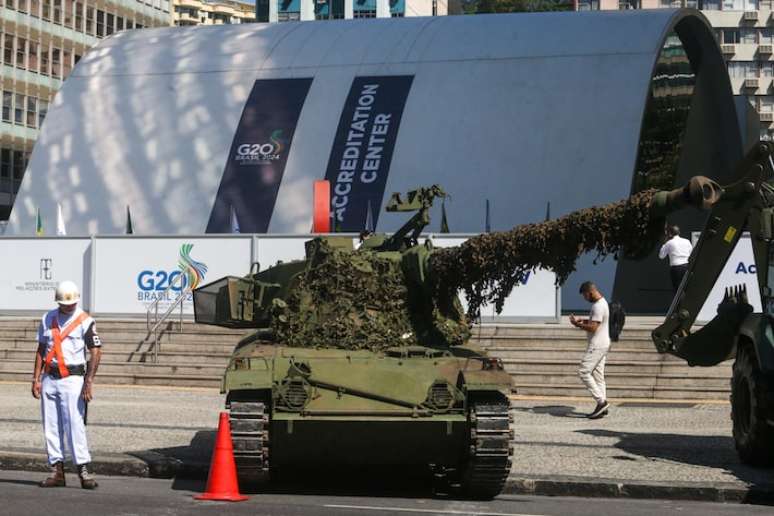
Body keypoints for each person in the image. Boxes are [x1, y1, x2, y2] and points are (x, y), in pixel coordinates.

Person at [31, 280, 102, 489]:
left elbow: (96, 351)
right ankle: (57, 471)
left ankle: (83, 471)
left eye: (71, 303)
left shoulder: (85, 321)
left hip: (73, 379)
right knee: (50, 426)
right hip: (49, 378)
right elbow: (41, 349)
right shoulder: (48, 318)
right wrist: (35, 379)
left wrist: (89, 381)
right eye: (64, 303)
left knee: (74, 425)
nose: (68, 306)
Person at [569, 281, 611, 419]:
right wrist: (583, 320)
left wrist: (577, 325)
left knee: (583, 371)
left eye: (585, 296)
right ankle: (603, 408)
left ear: (590, 292)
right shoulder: (603, 303)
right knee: (599, 376)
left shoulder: (597, 306)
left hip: (597, 345)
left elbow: (593, 327)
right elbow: (596, 322)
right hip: (604, 343)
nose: (585, 298)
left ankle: (601, 401)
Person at [658, 225, 693, 293]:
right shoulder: (687, 241)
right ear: (679, 232)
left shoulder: (669, 243)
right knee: (687, 288)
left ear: (670, 234)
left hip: (676, 268)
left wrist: (664, 244)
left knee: (677, 290)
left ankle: (681, 303)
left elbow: (661, 256)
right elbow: (691, 252)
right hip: (687, 266)